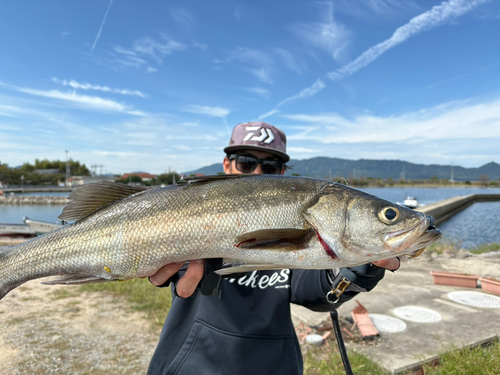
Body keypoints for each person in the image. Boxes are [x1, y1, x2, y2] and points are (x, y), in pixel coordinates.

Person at [147, 121, 399, 375]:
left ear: (281, 174)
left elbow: (313, 288)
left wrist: (359, 265)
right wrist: (157, 265)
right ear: (226, 165)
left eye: (270, 166)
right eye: (245, 162)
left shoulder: (296, 225)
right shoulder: (194, 215)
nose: (257, 173)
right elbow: (171, 266)